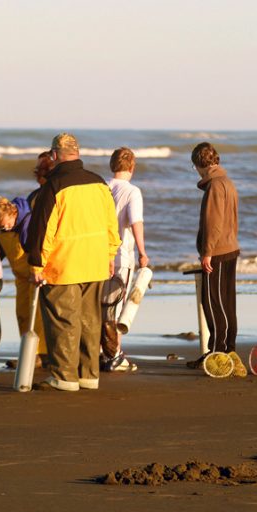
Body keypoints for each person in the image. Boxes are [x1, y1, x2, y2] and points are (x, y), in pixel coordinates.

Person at [24, 133, 121, 391]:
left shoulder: (53, 186)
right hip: (96, 261)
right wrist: (111, 254)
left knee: (63, 319)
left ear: (54, 155)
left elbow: (43, 230)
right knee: (90, 319)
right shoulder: (98, 183)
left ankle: (64, 376)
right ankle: (88, 375)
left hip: (64, 264)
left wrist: (36, 265)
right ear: (77, 153)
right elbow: (112, 224)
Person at [187, 142, 242, 372]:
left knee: (212, 303)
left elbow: (213, 223)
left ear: (199, 165)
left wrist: (207, 253)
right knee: (227, 302)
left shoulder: (215, 186)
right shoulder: (227, 182)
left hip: (218, 251)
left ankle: (218, 350)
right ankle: (227, 348)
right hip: (231, 248)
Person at [100, 147, 150, 373]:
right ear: (132, 167)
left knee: (100, 307)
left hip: (98, 255)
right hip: (121, 255)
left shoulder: (101, 188)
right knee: (117, 308)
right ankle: (115, 355)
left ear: (112, 166)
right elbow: (135, 221)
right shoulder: (132, 191)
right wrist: (142, 251)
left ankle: (102, 352)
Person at [0, 196, 47, 362]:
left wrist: (37, 272)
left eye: (6, 223)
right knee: (22, 313)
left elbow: (36, 250)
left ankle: (40, 354)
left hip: (34, 274)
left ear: (13, 213)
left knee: (35, 314)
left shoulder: (27, 223)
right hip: (20, 276)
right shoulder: (1, 228)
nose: (4, 228)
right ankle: (27, 350)